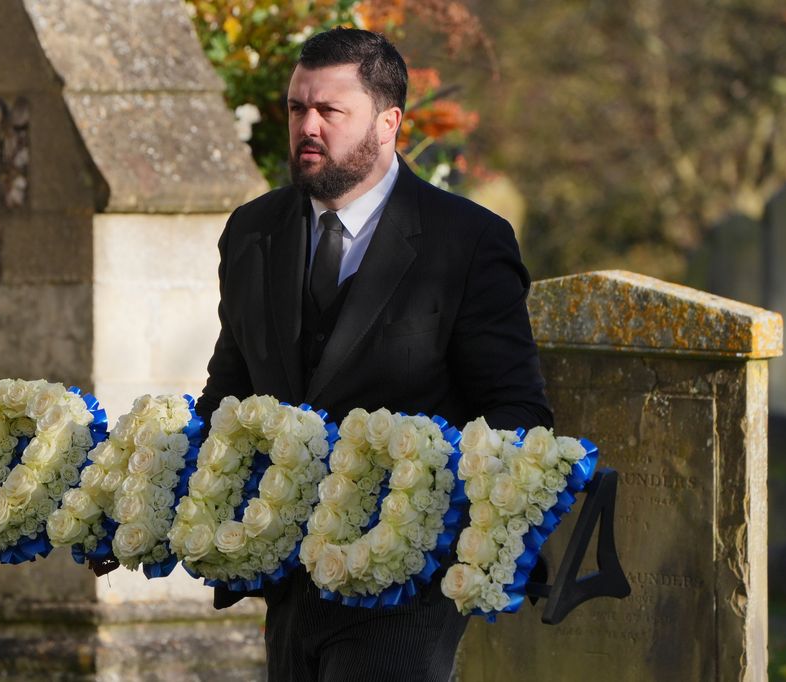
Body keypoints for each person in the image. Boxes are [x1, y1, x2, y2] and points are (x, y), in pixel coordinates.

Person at [193, 27, 553, 682]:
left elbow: (515, 408)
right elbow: (228, 394)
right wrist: (164, 509)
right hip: (289, 579)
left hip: (406, 589)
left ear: (388, 122)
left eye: (330, 111)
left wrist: (465, 536)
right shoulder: (252, 232)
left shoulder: (466, 242)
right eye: (297, 107)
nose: (307, 126)